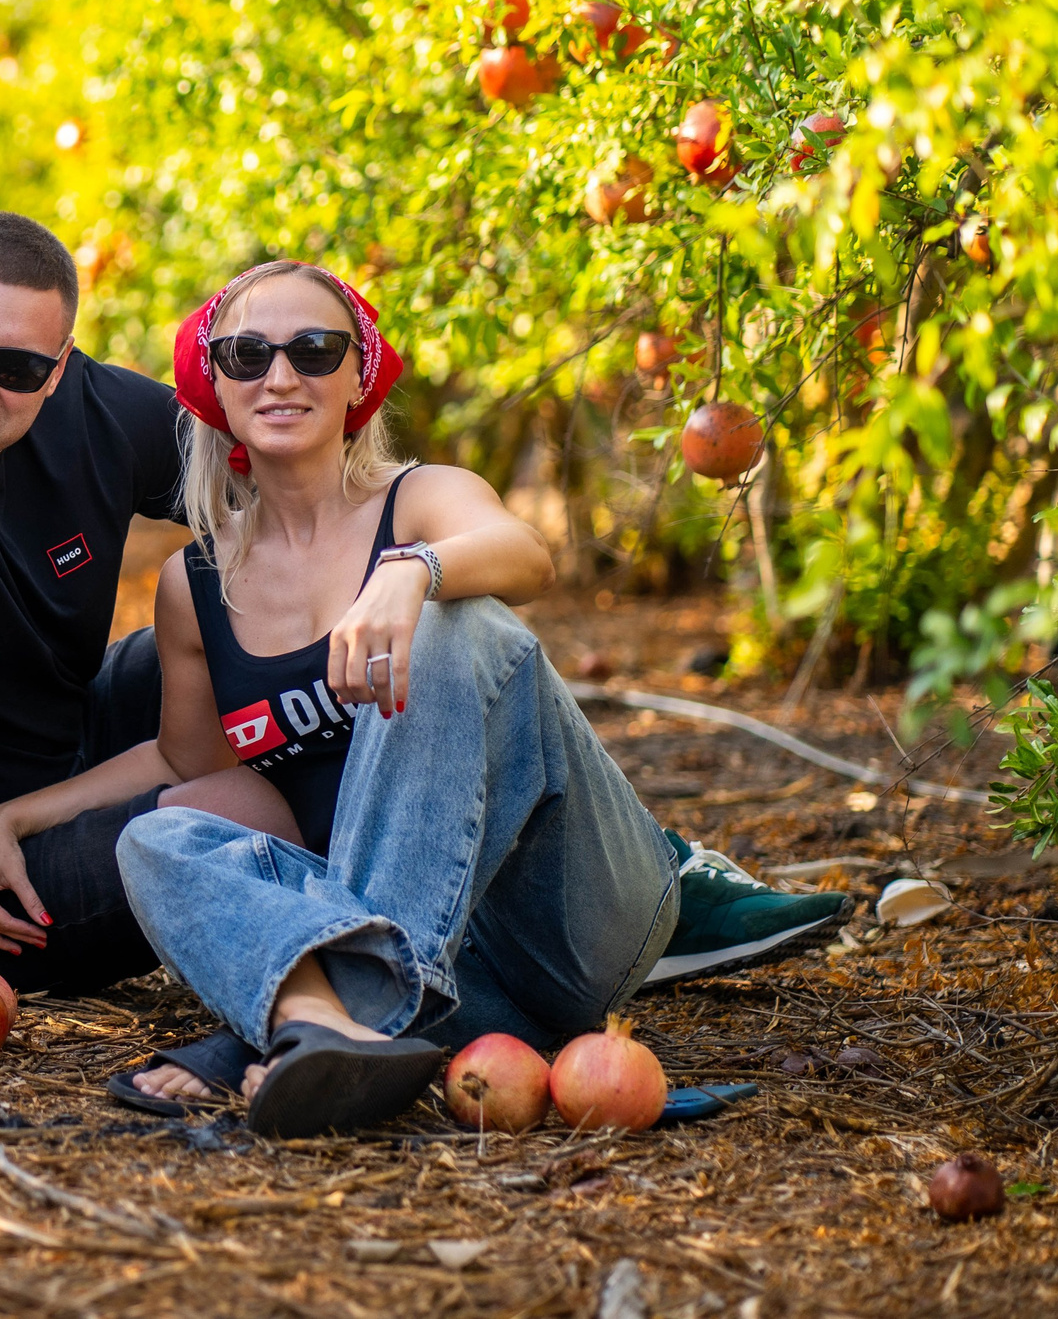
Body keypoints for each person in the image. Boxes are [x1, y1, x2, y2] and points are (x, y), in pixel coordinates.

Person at [0, 216, 843, 1045]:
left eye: (16, 365)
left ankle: (575, 885)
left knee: (352, 648)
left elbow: (292, 450)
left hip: (59, 738)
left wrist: (402, 567)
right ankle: (402, 965)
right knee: (176, 825)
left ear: (63, 364)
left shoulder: (94, 411)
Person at [104, 262, 846, 1134]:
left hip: (563, 915)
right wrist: (14, 820)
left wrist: (415, 573)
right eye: (246, 353)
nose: (280, 375)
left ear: (358, 378)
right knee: (157, 838)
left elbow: (525, 551)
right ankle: (331, 1027)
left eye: (314, 349)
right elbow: (184, 766)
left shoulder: (417, 499)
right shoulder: (195, 583)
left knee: (461, 625)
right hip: (458, 984)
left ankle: (324, 1017)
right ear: (214, 385)